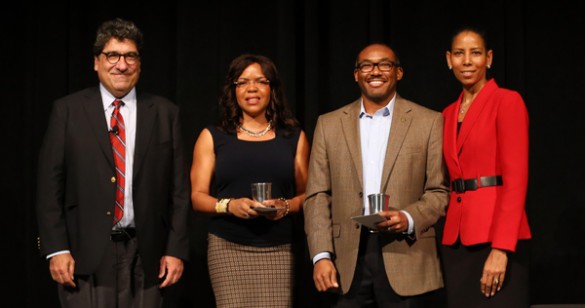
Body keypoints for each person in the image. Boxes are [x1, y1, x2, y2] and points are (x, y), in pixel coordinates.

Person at [35, 18, 190, 308]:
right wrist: (56, 248)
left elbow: (180, 191)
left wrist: (176, 249)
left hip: (148, 255)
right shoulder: (67, 111)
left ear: (139, 63)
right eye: (112, 56)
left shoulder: (166, 114)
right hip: (84, 257)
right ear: (97, 62)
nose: (122, 65)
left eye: (130, 56)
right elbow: (49, 188)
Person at [303, 43, 450, 307]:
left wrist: (408, 218)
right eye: (367, 65)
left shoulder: (429, 121)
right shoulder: (328, 124)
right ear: (356, 74)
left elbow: (438, 191)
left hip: (407, 254)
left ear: (399, 72)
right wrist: (321, 256)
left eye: (385, 64)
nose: (375, 71)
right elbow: (317, 195)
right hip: (346, 261)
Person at [190, 54, 310, 307]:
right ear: (233, 90)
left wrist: (285, 206)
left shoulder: (294, 136)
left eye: (260, 81)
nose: (251, 88)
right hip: (227, 247)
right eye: (242, 82)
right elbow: (197, 197)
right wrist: (229, 205)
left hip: (280, 248)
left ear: (272, 88)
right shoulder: (213, 136)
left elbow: (309, 196)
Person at [440, 26, 532, 307]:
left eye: (476, 53)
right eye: (459, 53)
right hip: (456, 241)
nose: (467, 61)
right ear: (449, 59)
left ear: (489, 58)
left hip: (496, 236)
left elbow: (516, 181)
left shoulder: (507, 101)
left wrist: (501, 248)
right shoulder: (446, 113)